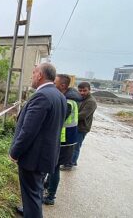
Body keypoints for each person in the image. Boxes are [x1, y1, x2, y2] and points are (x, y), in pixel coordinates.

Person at [9, 63, 67, 217]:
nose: (31, 76)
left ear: (40, 75)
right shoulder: (59, 95)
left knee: (32, 194)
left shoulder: (41, 96)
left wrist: (14, 152)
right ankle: (29, 210)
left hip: (34, 158)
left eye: (34, 72)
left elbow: (28, 131)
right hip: (46, 155)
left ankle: (32, 212)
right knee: (36, 190)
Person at [43, 74, 82, 206]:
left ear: (63, 86)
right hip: (66, 139)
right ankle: (47, 186)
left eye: (55, 83)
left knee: (54, 168)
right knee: (53, 167)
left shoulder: (67, 102)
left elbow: (56, 120)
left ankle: (50, 197)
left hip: (64, 140)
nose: (53, 85)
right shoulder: (70, 99)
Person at [61, 81, 97, 170]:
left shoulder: (91, 102)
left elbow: (83, 115)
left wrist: (68, 115)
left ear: (89, 90)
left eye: (84, 91)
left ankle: (70, 164)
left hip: (82, 127)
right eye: (80, 90)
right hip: (75, 126)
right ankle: (69, 162)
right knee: (71, 145)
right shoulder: (80, 99)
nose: (82, 93)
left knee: (75, 147)